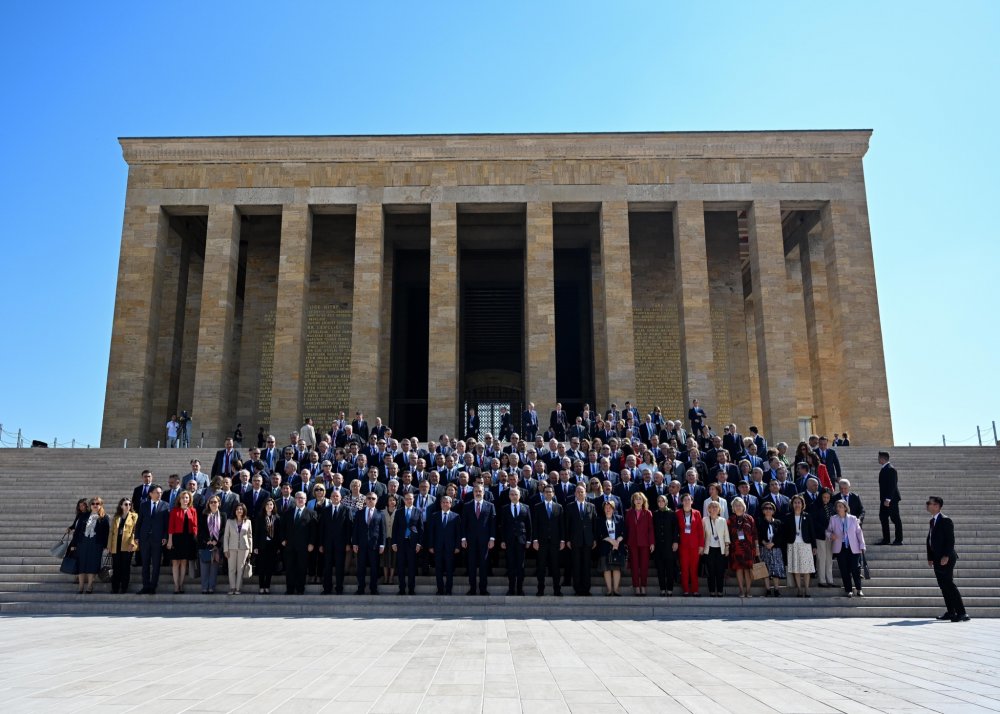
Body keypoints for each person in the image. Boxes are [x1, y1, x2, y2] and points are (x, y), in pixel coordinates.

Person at [926, 496, 969, 622]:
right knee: (943, 585)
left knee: (949, 584)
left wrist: (946, 556)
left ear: (937, 506)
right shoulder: (932, 521)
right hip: (937, 558)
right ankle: (951, 612)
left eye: (930, 503)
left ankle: (962, 613)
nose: (927, 505)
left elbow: (950, 540)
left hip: (946, 558)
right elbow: (930, 540)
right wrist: (930, 557)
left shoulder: (945, 520)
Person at [69, 497, 109, 594]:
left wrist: (105, 545)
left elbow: (106, 533)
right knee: (81, 564)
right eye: (93, 504)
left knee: (92, 564)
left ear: (100, 505)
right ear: (90, 505)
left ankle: (90, 586)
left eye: (97, 503)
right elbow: (77, 531)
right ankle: (81, 586)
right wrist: (74, 543)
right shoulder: (84, 516)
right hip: (83, 543)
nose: (95, 505)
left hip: (96, 544)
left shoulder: (104, 517)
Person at [461, 485, 496, 596]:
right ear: (473, 492)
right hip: (470, 540)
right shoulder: (467, 506)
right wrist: (463, 538)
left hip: (485, 541)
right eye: (476, 491)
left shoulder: (490, 506)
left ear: (484, 492)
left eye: (480, 491)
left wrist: (492, 538)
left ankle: (483, 589)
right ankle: (472, 588)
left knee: (483, 565)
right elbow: (463, 524)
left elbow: (492, 524)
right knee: (471, 565)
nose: (478, 493)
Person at [827, 499, 866, 598]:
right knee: (844, 570)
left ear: (845, 508)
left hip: (853, 547)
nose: (838, 508)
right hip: (841, 548)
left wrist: (862, 545)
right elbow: (827, 531)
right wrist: (831, 535)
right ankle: (849, 590)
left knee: (855, 569)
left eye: (840, 506)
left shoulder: (853, 518)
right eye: (837, 506)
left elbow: (858, 532)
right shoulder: (833, 519)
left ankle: (859, 589)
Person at [282, 492, 318, 595]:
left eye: (302, 498)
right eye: (298, 497)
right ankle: (290, 589)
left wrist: (311, 543)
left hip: (304, 546)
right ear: (295, 499)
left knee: (301, 568)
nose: (300, 499)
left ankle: (300, 589)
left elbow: (313, 530)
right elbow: (282, 527)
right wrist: (283, 539)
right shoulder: (288, 512)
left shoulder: (311, 513)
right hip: (290, 545)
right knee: (289, 568)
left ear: (306, 500)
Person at [565, 485, 598, 596]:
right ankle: (578, 589)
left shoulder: (591, 506)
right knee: (576, 565)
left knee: (586, 566)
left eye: (582, 492)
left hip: (588, 540)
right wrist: (568, 539)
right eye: (578, 492)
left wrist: (594, 539)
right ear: (575, 493)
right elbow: (567, 524)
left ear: (585, 493)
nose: (580, 493)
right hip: (575, 540)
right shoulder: (570, 506)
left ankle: (586, 589)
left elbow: (594, 524)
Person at [425, 495, 462, 595]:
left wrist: (458, 546)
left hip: (451, 547)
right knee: (438, 569)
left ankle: (449, 589)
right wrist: (431, 546)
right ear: (440, 504)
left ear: (451, 504)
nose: (445, 504)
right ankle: (440, 589)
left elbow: (458, 533)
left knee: (450, 569)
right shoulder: (434, 516)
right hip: (437, 547)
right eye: (443, 502)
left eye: (447, 502)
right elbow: (431, 532)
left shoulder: (456, 516)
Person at [498, 487, 531, 595]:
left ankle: (520, 589)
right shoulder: (505, 508)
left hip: (521, 541)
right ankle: (511, 589)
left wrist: (529, 540)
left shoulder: (526, 507)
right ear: (509, 496)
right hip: (509, 541)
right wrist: (502, 540)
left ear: (519, 496)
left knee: (520, 566)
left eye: (516, 494)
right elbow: (502, 526)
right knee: (511, 565)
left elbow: (529, 525)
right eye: (512, 494)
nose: (514, 496)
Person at [532, 485, 564, 596]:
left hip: (555, 542)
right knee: (541, 567)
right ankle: (540, 589)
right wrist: (535, 540)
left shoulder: (559, 507)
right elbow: (534, 525)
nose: (548, 493)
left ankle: (557, 589)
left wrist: (562, 540)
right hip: (542, 542)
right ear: (543, 493)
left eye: (550, 492)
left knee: (555, 567)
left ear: (553, 493)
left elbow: (561, 526)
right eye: (546, 492)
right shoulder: (537, 507)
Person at [784, 494, 817, 597]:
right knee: (796, 568)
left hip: (805, 545)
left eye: (799, 502)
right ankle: (799, 589)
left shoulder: (807, 516)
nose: (797, 504)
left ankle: (806, 589)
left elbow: (812, 532)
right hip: (793, 545)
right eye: (795, 503)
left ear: (802, 504)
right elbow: (786, 533)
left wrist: (814, 546)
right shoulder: (788, 517)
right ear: (792, 504)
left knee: (806, 569)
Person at [353, 492, 386, 595]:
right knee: (361, 567)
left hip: (375, 545)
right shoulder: (359, 513)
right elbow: (355, 529)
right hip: (361, 544)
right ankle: (360, 588)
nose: (371, 500)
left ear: (376, 500)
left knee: (374, 567)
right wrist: (354, 543)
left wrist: (382, 544)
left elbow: (383, 531)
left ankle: (373, 588)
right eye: (369, 498)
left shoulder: (380, 513)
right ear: (365, 500)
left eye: (373, 498)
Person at [392, 492, 423, 596]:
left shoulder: (418, 511)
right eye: (407, 499)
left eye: (410, 499)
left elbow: (421, 529)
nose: (409, 500)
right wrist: (394, 543)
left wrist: (419, 543)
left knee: (411, 567)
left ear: (413, 499)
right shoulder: (399, 512)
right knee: (400, 566)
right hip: (401, 542)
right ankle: (401, 588)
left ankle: (411, 589)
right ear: (404, 500)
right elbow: (395, 528)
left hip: (413, 543)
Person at [166, 490, 198, 594]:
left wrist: (195, 538)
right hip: (176, 538)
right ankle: (176, 586)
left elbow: (195, 526)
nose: (185, 499)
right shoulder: (174, 511)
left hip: (188, 539)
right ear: (179, 500)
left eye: (187, 498)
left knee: (184, 562)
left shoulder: (193, 510)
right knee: (175, 563)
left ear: (190, 500)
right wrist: (170, 540)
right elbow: (170, 527)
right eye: (183, 498)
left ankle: (181, 584)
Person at [625, 492, 654, 596]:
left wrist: (652, 543)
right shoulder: (629, 512)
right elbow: (626, 528)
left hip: (645, 543)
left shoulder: (648, 513)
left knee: (644, 566)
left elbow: (651, 529)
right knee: (634, 565)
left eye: (640, 499)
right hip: (632, 543)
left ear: (643, 501)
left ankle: (643, 586)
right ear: (633, 501)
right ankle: (636, 586)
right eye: (636, 499)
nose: (638, 501)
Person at [106, 497, 137, 594]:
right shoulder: (116, 517)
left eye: (129, 504)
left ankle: (124, 587)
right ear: (121, 506)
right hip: (116, 544)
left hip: (127, 545)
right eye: (125, 504)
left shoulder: (134, 516)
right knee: (116, 567)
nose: (128, 506)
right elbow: (111, 532)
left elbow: (135, 531)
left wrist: (132, 543)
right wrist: (109, 545)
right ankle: (115, 588)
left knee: (125, 567)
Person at [728, 497, 757, 598]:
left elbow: (755, 534)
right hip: (736, 549)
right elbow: (727, 535)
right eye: (736, 505)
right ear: (733, 508)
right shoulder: (731, 520)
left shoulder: (750, 518)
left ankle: (748, 591)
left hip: (748, 548)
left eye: (740, 505)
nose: (738, 507)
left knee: (747, 570)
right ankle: (741, 590)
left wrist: (756, 548)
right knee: (739, 569)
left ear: (743, 507)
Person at [676, 494, 704, 596]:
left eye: (689, 500)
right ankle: (686, 590)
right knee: (684, 568)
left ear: (692, 502)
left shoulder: (697, 513)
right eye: (685, 500)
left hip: (695, 545)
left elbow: (700, 530)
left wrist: (701, 545)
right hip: (683, 545)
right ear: (682, 501)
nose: (687, 501)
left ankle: (695, 590)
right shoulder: (677, 513)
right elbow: (675, 530)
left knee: (694, 568)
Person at [197, 495, 226, 594]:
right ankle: (205, 587)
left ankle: (211, 587)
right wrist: (207, 540)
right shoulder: (203, 515)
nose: (213, 504)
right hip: (205, 545)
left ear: (219, 503)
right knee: (204, 567)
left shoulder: (223, 515)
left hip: (217, 546)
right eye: (211, 502)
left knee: (214, 568)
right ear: (208, 504)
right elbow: (200, 530)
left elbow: (223, 531)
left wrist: (217, 542)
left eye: (215, 502)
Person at [596, 500, 625, 596]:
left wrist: (617, 541)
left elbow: (624, 532)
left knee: (616, 569)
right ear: (603, 509)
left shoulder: (619, 518)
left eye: (610, 507)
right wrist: (611, 541)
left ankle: (616, 590)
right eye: (606, 508)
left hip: (618, 547)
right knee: (606, 569)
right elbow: (599, 533)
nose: (608, 509)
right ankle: (609, 590)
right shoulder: (599, 519)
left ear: (613, 509)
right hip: (605, 547)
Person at [652, 495, 679, 596]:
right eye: (659, 501)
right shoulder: (655, 514)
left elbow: (676, 529)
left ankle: (670, 589)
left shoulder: (672, 513)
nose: (660, 502)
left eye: (662, 501)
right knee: (660, 569)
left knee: (670, 569)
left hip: (669, 545)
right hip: (659, 546)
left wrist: (675, 541)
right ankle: (662, 589)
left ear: (666, 502)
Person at [702, 500, 730, 597]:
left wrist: (727, 547)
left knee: (720, 571)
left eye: (715, 507)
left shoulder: (722, 520)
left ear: (719, 509)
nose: (713, 509)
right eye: (711, 507)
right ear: (708, 509)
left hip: (720, 549)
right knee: (710, 571)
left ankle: (720, 591)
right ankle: (712, 591)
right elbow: (702, 535)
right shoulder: (704, 520)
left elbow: (726, 534)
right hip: (708, 549)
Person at [252, 498, 280, 594]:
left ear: (273, 506)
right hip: (262, 545)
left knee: (269, 567)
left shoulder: (277, 517)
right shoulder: (260, 517)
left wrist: (278, 547)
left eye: (271, 504)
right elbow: (256, 533)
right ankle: (261, 586)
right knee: (261, 567)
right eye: (267, 504)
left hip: (272, 546)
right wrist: (255, 547)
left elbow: (278, 534)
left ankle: (267, 586)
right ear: (264, 506)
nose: (269, 506)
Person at [224, 502, 253, 595]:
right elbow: (226, 536)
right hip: (231, 548)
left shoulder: (248, 522)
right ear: (235, 511)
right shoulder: (229, 521)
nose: (239, 511)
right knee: (231, 569)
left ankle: (238, 588)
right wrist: (225, 549)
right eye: (237, 509)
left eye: (241, 509)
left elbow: (250, 536)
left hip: (244, 548)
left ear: (244, 510)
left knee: (240, 569)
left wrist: (250, 550)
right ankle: (232, 587)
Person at [757, 501, 785, 597]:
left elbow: (781, 535)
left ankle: (776, 589)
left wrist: (773, 543)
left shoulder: (778, 522)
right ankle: (768, 590)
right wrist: (765, 543)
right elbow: (758, 535)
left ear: (773, 511)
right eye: (766, 508)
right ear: (763, 511)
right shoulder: (760, 522)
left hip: (776, 548)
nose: (768, 510)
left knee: (776, 569)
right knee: (765, 570)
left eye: (770, 508)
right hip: (764, 549)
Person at [811, 488, 836, 588]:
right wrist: (825, 530)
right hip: (820, 536)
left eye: (828, 497)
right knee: (821, 558)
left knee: (829, 558)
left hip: (830, 537)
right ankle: (822, 580)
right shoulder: (815, 506)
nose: (826, 499)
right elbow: (814, 522)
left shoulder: (831, 506)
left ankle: (830, 580)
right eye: (824, 497)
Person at [877, 451, 903, 545]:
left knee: (895, 519)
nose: (878, 459)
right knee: (883, 518)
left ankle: (899, 540)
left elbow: (892, 485)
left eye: (879, 457)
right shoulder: (884, 468)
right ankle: (886, 539)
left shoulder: (891, 469)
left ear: (883, 458)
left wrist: (888, 499)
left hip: (891, 500)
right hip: (884, 500)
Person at [381, 494, 399, 588]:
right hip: (385, 539)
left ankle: (391, 578)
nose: (392, 502)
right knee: (385, 559)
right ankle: (385, 577)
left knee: (393, 559)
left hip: (394, 540)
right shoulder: (382, 512)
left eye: (393, 500)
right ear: (387, 502)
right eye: (390, 500)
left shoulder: (399, 512)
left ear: (396, 502)